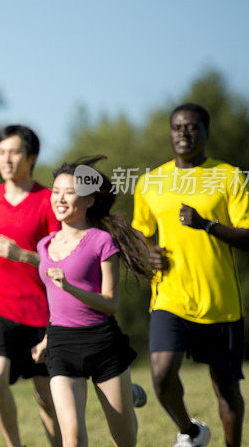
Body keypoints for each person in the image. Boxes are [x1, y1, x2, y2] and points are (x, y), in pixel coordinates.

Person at [132, 103, 249, 447]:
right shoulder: (150, 182)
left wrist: (207, 225)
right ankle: (190, 432)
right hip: (170, 297)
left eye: (191, 127)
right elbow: (140, 231)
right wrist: (148, 251)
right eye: (177, 127)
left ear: (206, 132)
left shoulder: (229, 176)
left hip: (219, 302)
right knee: (161, 376)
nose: (183, 134)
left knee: (226, 389)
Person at [32, 157, 155, 447]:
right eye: (56, 191)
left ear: (88, 200)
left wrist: (71, 288)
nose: (60, 198)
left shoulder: (101, 241)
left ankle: (127, 394)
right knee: (72, 438)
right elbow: (56, 304)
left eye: (70, 192)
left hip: (102, 343)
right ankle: (126, 393)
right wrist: (47, 339)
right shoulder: (44, 245)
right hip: (62, 345)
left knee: (124, 438)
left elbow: (111, 303)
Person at [0, 125, 61, 447]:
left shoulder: (49, 201)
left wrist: (23, 255)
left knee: (47, 398)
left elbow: (61, 262)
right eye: (1, 152)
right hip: (0, 306)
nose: (6, 159)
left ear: (32, 157)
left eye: (14, 152)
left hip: (43, 312)